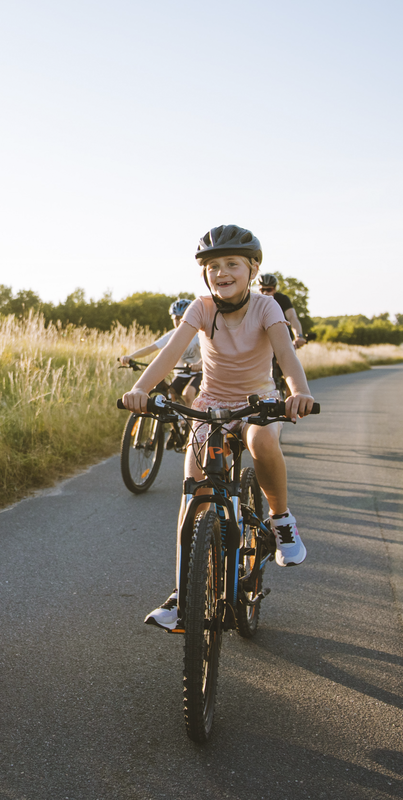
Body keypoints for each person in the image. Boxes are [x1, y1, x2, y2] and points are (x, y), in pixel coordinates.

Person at [121, 225, 316, 632]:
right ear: (204, 274)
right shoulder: (201, 308)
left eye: (232, 264)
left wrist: (298, 392)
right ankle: (182, 595)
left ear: (253, 269)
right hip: (210, 403)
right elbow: (170, 352)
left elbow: (286, 355)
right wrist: (140, 389)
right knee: (193, 492)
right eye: (213, 266)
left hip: (257, 401)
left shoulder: (266, 307)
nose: (222, 272)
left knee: (262, 440)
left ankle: (281, 519)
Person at [118, 298, 203, 406]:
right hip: (181, 374)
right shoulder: (172, 335)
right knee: (170, 397)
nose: (179, 321)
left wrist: (199, 364)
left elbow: (207, 354)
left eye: (182, 317)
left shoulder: (197, 335)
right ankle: (176, 417)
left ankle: (190, 418)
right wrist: (131, 356)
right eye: (176, 318)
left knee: (188, 394)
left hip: (198, 373)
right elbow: (150, 348)